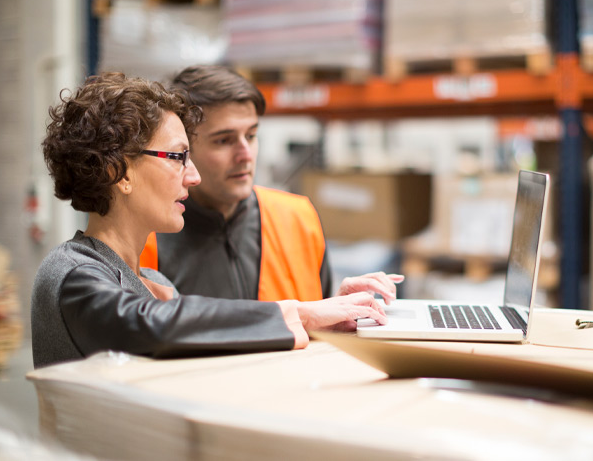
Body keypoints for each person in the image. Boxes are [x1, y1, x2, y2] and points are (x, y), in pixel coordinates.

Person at [31, 72, 387, 369]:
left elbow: (208, 348)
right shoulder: (72, 273)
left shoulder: (153, 281)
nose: (193, 176)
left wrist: (326, 320)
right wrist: (301, 314)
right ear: (119, 172)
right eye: (178, 157)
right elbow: (150, 326)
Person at [139, 65, 402, 303]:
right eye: (224, 140)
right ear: (184, 149)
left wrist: (337, 306)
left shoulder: (297, 218)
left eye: (251, 136)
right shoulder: (147, 239)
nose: (245, 154)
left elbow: (315, 328)